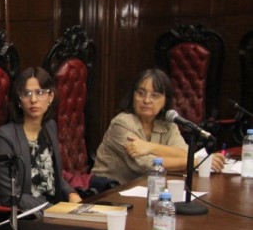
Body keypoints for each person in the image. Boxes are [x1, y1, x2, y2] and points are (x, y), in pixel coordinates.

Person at [92, 68, 225, 184]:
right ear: (132, 96)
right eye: (140, 93)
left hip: (145, 189)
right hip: (109, 191)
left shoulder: (168, 124)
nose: (146, 100)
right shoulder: (121, 123)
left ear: (165, 100)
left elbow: (184, 153)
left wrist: (150, 147)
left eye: (154, 95)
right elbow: (146, 165)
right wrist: (197, 162)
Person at [0, 67, 82, 212]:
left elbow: (53, 174)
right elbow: (11, 195)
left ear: (50, 97)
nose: (33, 99)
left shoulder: (50, 127)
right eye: (26, 93)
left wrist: (71, 193)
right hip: (23, 216)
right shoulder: (2, 138)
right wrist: (53, 211)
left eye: (40, 92)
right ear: (19, 99)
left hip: (54, 210)